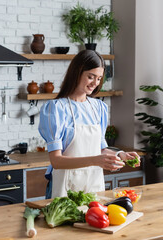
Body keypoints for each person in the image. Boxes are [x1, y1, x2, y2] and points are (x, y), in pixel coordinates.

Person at [38, 50, 140, 199]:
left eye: (99, 78)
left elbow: (101, 150)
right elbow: (56, 161)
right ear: (77, 72)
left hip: (94, 186)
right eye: (90, 77)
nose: (95, 83)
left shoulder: (98, 108)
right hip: (64, 190)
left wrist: (120, 155)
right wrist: (95, 160)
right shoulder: (56, 109)